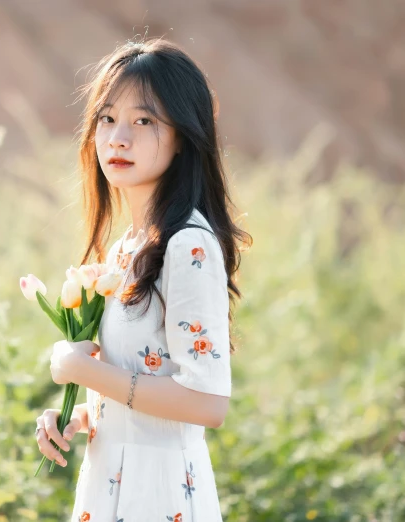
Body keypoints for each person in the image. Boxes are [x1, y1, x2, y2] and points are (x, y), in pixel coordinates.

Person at [34, 38, 252, 521]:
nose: (118, 138)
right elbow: (142, 396)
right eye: (108, 119)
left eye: (144, 121)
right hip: (110, 484)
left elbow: (208, 402)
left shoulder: (188, 245)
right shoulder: (128, 248)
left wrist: (83, 371)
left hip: (158, 496)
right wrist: (79, 416)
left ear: (183, 137)